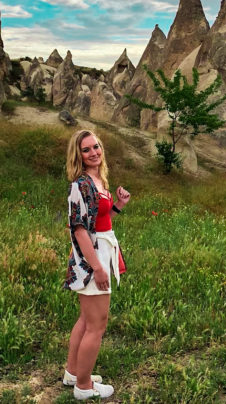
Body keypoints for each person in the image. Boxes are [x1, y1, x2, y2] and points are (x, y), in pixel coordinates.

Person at [62, 129, 131, 400]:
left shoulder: (98, 179)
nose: (94, 153)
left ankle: (73, 372)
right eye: (87, 149)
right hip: (92, 259)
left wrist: (118, 206)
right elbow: (79, 230)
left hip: (100, 252)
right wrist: (98, 268)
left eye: (96, 147)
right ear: (78, 155)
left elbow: (99, 219)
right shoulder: (80, 185)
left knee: (86, 319)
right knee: (97, 324)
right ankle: (84, 386)